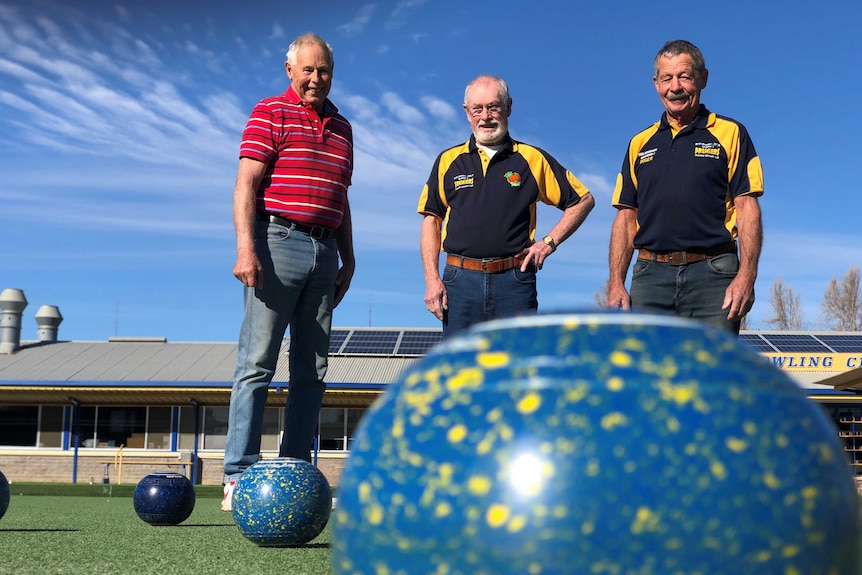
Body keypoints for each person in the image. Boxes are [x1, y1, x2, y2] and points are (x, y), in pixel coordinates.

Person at [221, 33, 355, 511]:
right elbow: (246, 184)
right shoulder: (268, 112)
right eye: (308, 70)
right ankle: (238, 475)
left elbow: (341, 196)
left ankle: (294, 471)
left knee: (311, 371)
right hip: (276, 243)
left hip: (325, 253)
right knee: (257, 363)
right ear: (290, 69)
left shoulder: (342, 127)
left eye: (324, 71)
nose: (316, 78)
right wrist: (246, 248)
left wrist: (349, 257)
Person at [418, 75, 595, 338]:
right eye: (477, 109)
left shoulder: (532, 159)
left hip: (514, 281)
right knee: (462, 374)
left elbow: (582, 200)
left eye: (493, 107)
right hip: (459, 282)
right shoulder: (447, 161)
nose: (485, 116)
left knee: (516, 373)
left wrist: (548, 242)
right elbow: (431, 221)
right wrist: (432, 279)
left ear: (508, 107)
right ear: (467, 113)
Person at [607, 39, 764, 334]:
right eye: (667, 78)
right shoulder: (639, 144)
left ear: (703, 79)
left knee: (711, 376)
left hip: (715, 276)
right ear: (656, 84)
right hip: (650, 278)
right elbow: (626, 218)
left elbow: (747, 207)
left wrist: (747, 274)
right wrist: (616, 282)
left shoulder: (731, 133)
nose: (675, 87)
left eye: (685, 76)